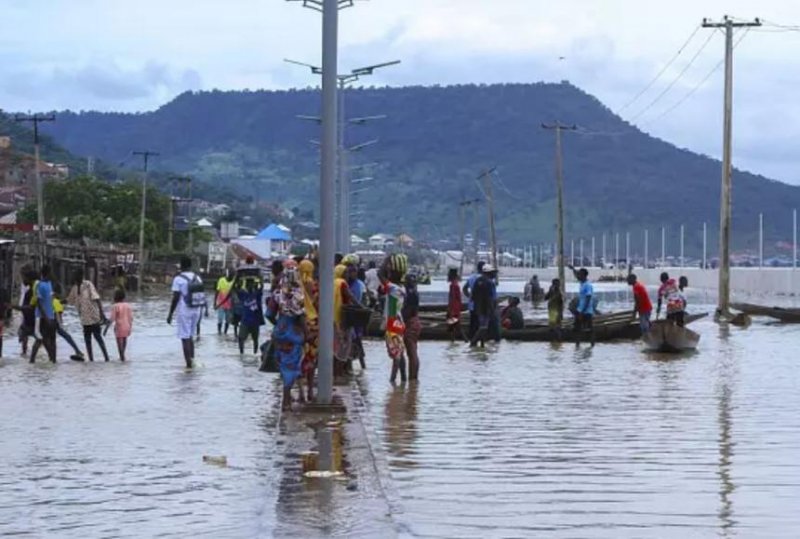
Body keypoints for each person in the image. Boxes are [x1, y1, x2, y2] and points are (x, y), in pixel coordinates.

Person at [272, 260, 306, 411]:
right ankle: (286, 399)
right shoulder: (299, 295)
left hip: (280, 332)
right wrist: (307, 333)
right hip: (294, 335)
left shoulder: (277, 293)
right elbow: (301, 317)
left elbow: (269, 313)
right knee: (292, 367)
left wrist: (278, 326)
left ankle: (286, 399)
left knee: (284, 366)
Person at [167, 256, 205, 368]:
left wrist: (170, 314)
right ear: (190, 265)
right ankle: (192, 361)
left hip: (185, 310)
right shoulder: (197, 278)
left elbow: (175, 298)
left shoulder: (178, 279)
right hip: (196, 310)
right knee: (191, 337)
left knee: (185, 337)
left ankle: (188, 365)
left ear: (181, 266)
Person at [67, 269, 110, 362]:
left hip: (93, 317)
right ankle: (91, 360)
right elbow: (69, 300)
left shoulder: (88, 285)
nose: (75, 278)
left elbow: (97, 299)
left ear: (80, 276)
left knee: (98, 338)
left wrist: (102, 314)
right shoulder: (74, 288)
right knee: (87, 340)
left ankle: (107, 358)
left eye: (77, 276)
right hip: (84, 319)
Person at [381, 255, 407, 383]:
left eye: (391, 271)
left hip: (392, 323)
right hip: (399, 323)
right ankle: (403, 380)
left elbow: (380, 275)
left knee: (396, 355)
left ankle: (392, 382)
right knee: (400, 354)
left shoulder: (393, 288)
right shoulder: (401, 288)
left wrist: (387, 260)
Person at [299, 259, 319, 401]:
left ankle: (300, 392)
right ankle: (310, 391)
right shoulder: (314, 285)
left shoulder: (295, 286)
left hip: (299, 325)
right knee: (312, 360)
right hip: (313, 326)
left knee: (299, 360)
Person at [31, 265, 57, 363]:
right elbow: (38, 303)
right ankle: (32, 361)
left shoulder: (49, 284)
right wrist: (46, 317)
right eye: (51, 272)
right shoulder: (40, 285)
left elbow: (51, 300)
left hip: (50, 316)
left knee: (50, 340)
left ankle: (53, 360)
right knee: (40, 339)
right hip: (41, 317)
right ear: (48, 273)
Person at [53, 284, 85, 361]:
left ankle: (52, 357)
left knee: (50, 340)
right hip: (55, 323)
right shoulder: (57, 302)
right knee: (67, 337)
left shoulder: (54, 301)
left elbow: (57, 314)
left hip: (51, 323)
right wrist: (61, 325)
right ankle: (77, 351)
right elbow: (59, 316)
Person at [470, 264, 496, 348]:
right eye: (492, 273)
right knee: (484, 327)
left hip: (478, 308)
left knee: (481, 325)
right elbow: (490, 298)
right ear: (488, 273)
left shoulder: (477, 281)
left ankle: (482, 344)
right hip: (486, 308)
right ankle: (474, 342)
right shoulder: (489, 283)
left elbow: (473, 296)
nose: (494, 275)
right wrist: (492, 310)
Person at [346, 263, 367, 371]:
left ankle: (362, 366)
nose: (352, 274)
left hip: (356, 316)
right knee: (350, 342)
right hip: (349, 316)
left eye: (354, 272)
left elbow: (361, 299)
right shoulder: (346, 284)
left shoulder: (358, 284)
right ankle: (349, 367)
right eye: (350, 272)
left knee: (357, 341)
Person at [402, 273, 421, 381]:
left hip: (410, 322)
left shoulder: (410, 294)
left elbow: (408, 311)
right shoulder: (415, 293)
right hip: (415, 322)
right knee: (412, 351)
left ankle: (413, 379)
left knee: (412, 352)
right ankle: (413, 381)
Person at [107, 288, 133, 361]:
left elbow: (112, 318)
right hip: (127, 325)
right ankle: (123, 355)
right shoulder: (128, 306)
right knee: (124, 339)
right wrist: (130, 327)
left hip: (119, 326)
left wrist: (106, 328)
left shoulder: (115, 306)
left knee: (119, 342)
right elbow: (131, 318)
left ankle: (121, 356)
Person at [462, 261, 485, 340]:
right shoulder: (485, 279)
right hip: (482, 306)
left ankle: (471, 342)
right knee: (481, 325)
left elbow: (464, 289)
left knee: (472, 324)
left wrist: (470, 296)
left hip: (472, 305)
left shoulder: (472, 277)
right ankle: (480, 342)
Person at [574, 267, 595, 347]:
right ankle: (577, 346)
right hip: (580, 309)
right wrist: (572, 268)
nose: (578, 276)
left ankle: (592, 346)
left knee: (590, 330)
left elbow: (588, 298)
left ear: (583, 275)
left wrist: (582, 312)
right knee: (577, 329)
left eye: (579, 274)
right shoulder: (582, 283)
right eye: (578, 274)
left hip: (586, 311)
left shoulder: (587, 285)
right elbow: (576, 275)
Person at [446, 268, 466, 343]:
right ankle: (460, 341)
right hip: (456, 308)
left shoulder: (453, 285)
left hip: (453, 308)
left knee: (453, 327)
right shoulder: (456, 284)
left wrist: (450, 310)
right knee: (456, 326)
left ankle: (454, 341)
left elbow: (453, 298)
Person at [214, 268, 234, 334]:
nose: (232, 276)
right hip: (221, 303)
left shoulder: (233, 282)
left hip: (229, 304)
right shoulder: (221, 280)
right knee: (220, 319)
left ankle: (225, 333)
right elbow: (217, 291)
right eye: (231, 274)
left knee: (228, 320)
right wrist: (214, 302)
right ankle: (219, 332)